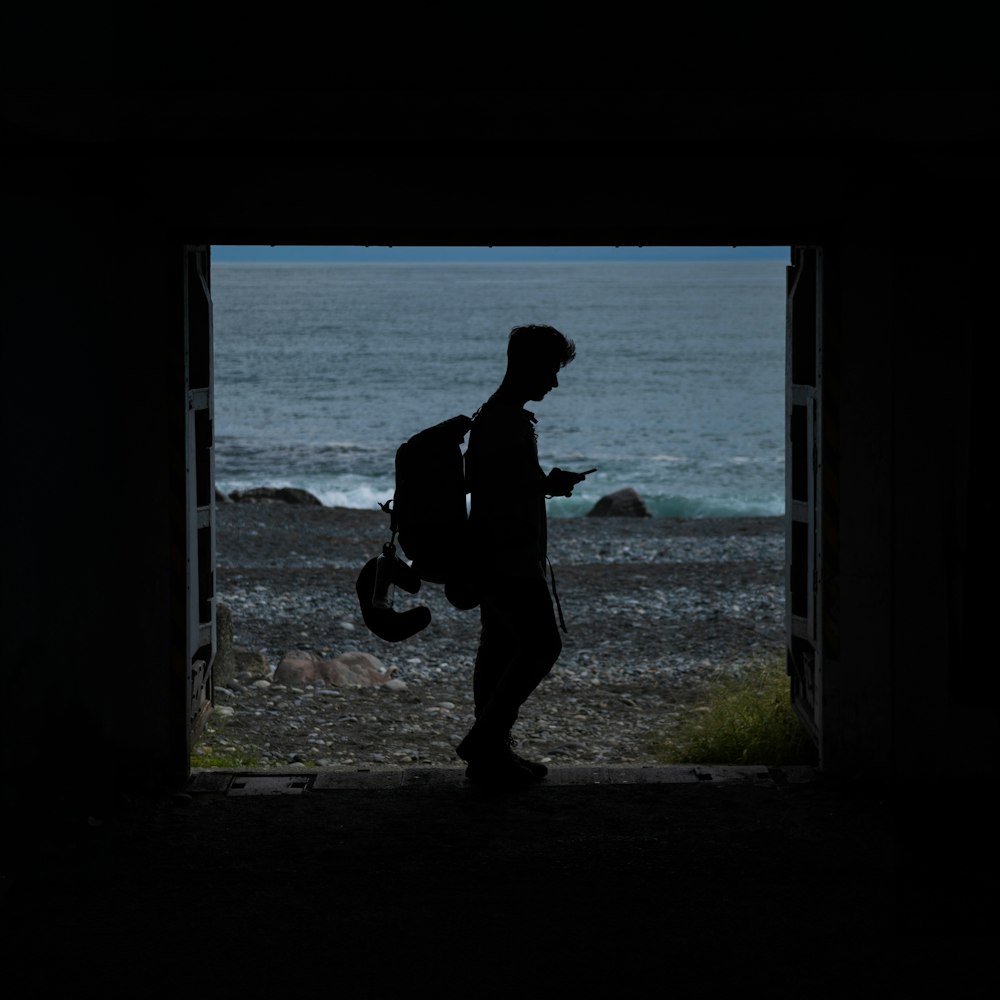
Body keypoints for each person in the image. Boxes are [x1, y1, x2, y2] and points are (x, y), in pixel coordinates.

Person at [456, 324, 592, 786]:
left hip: (495, 553)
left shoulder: (495, 415)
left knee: (498, 648)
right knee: (541, 645)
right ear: (526, 365)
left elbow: (487, 485)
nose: (553, 383)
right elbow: (494, 490)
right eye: (551, 371)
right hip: (506, 555)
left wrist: (541, 485)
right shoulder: (504, 421)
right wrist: (546, 485)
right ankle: (485, 739)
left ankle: (490, 757)